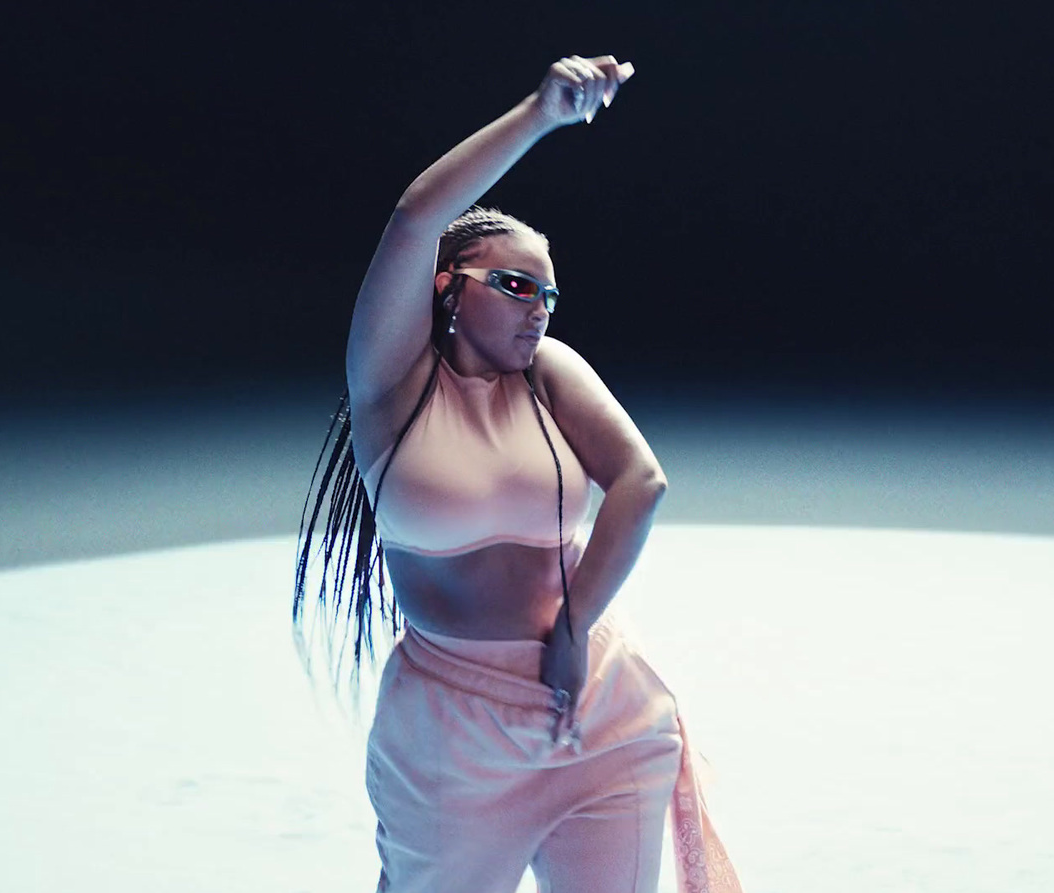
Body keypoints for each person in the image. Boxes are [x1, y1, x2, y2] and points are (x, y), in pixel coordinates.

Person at [294, 55, 742, 893]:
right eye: (514, 284)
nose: (539, 305)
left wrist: (576, 630)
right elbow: (413, 216)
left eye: (550, 294)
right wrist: (543, 114)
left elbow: (641, 482)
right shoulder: (393, 387)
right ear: (447, 290)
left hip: (596, 706)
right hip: (452, 736)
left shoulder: (551, 374)